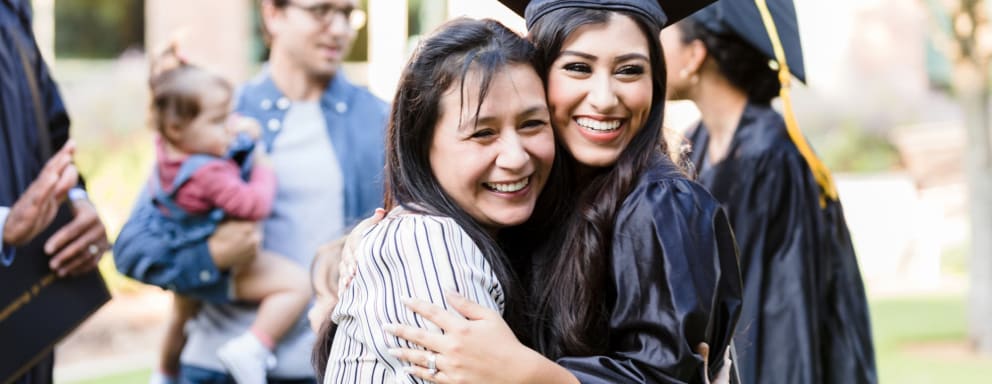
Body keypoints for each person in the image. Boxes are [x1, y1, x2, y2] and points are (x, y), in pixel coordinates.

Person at [330, 1, 743, 383]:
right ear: (537, 75)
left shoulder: (659, 204)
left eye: (630, 70)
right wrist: (351, 250)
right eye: (578, 68)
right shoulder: (533, 197)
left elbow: (666, 373)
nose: (603, 99)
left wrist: (530, 375)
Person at [112, 0, 388, 382]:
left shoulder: (382, 121)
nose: (339, 29)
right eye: (322, 10)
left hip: (331, 370)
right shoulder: (219, 112)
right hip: (215, 371)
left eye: (347, 13)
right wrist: (208, 255)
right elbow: (132, 247)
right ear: (272, 14)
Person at [321, 16, 563, 382]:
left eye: (532, 124)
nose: (516, 157)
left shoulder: (498, 238)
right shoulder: (425, 241)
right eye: (483, 133)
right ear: (422, 145)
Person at [660, 1, 877, 383]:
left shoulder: (775, 156)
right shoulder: (697, 143)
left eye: (664, 33)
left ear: (695, 55)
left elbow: (786, 312)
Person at [138, 44, 312, 384]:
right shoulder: (208, 173)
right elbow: (253, 204)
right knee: (296, 285)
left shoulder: (168, 152)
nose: (228, 129)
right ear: (177, 127)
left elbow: (210, 134)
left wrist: (232, 129)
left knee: (181, 315)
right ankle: (253, 347)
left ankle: (164, 372)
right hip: (226, 259)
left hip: (186, 250)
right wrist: (263, 167)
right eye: (219, 121)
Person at [1, 0, 110, 383]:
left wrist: (76, 202)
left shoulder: (13, 8)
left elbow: (51, 127)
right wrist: (2, 227)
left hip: (25, 331)